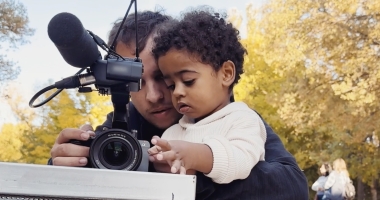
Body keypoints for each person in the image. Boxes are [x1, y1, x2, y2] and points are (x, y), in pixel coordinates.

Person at [48, 9, 309, 199]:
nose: (153, 95)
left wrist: (190, 173)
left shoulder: (232, 118)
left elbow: (291, 187)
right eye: (133, 82)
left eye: (163, 78)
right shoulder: (120, 126)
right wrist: (64, 168)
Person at [146, 9, 266, 185]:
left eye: (188, 81)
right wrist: (161, 160)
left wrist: (194, 156)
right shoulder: (173, 132)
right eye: (171, 86)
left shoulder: (242, 119)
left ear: (226, 74)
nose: (177, 92)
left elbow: (240, 161)